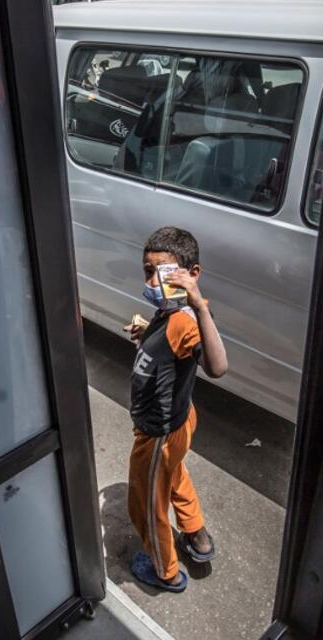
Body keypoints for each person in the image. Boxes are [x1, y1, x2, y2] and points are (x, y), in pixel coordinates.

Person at [123, 227, 229, 592]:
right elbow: (167, 347)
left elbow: (216, 367)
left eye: (159, 272)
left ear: (191, 274)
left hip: (159, 433)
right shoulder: (168, 310)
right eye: (146, 270)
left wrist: (200, 306)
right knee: (176, 477)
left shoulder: (187, 318)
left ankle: (163, 570)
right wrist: (145, 334)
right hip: (177, 425)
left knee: (146, 503)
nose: (150, 280)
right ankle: (196, 535)